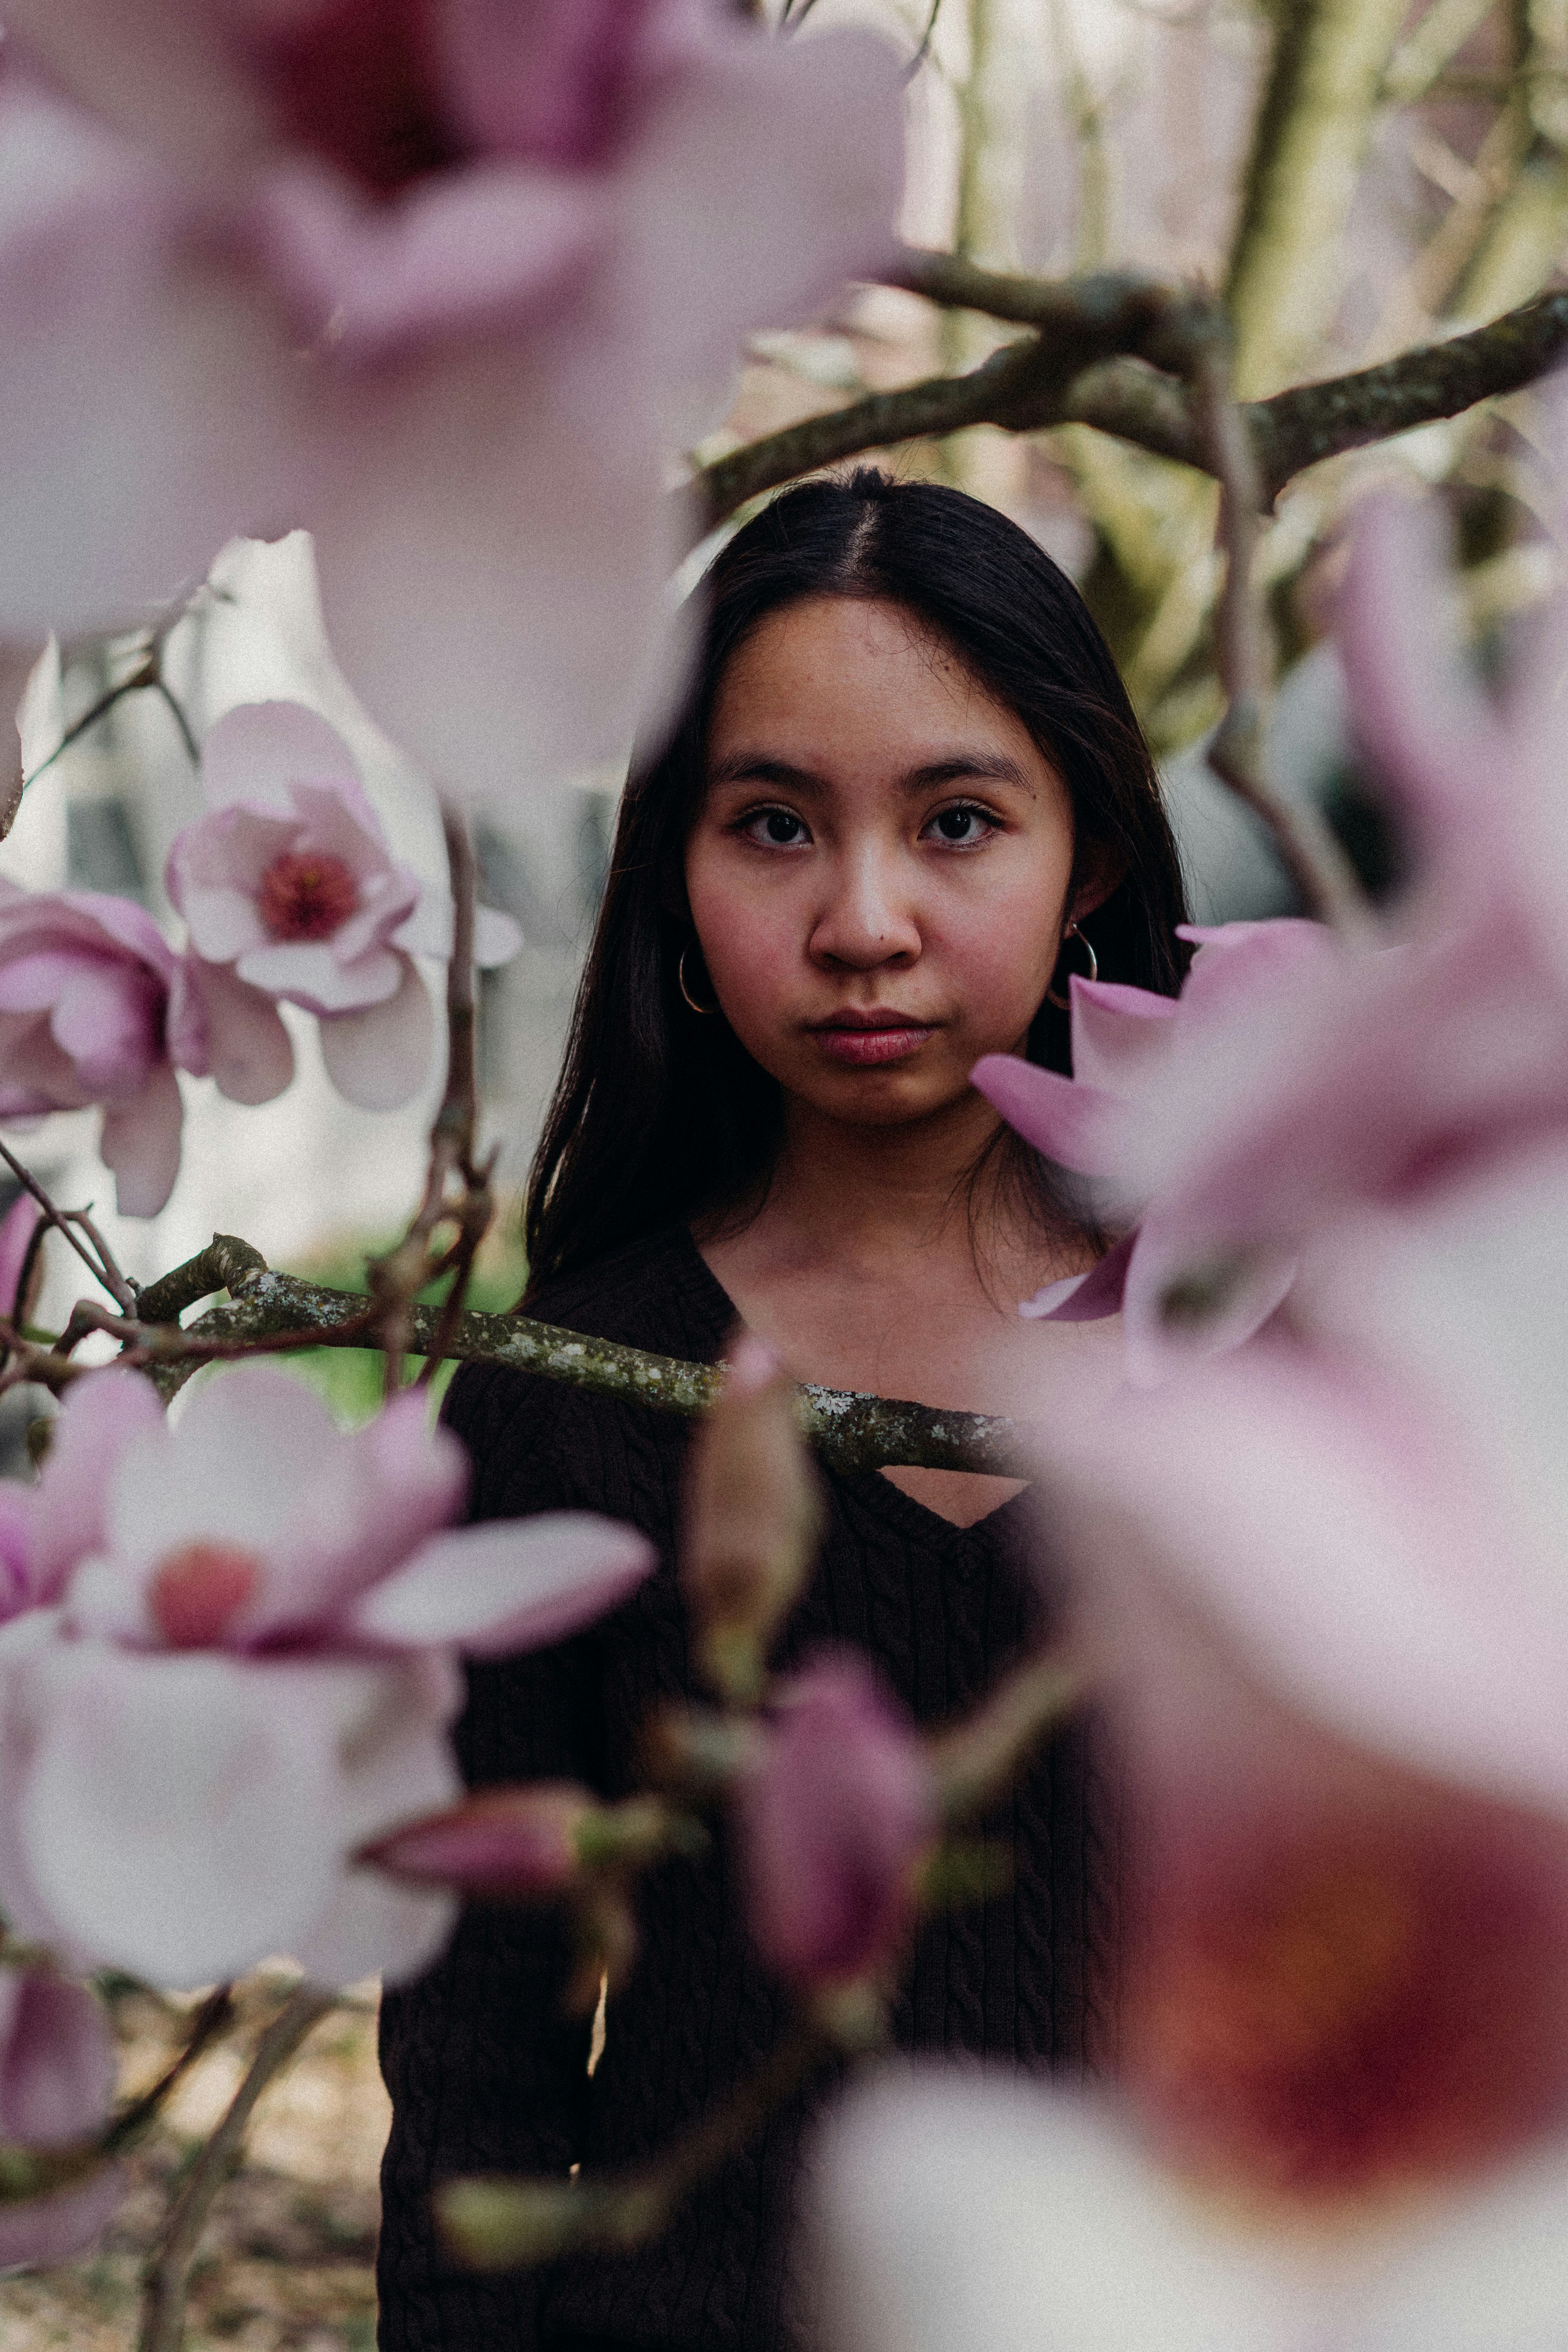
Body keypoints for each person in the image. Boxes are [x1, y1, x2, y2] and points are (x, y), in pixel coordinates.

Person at [377, 467, 1190, 2352]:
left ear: (1087, 861)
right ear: (674, 866)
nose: (862, 921)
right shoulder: (572, 1401)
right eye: (772, 827)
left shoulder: (1265, 1341)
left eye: (957, 821)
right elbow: (476, 2070)